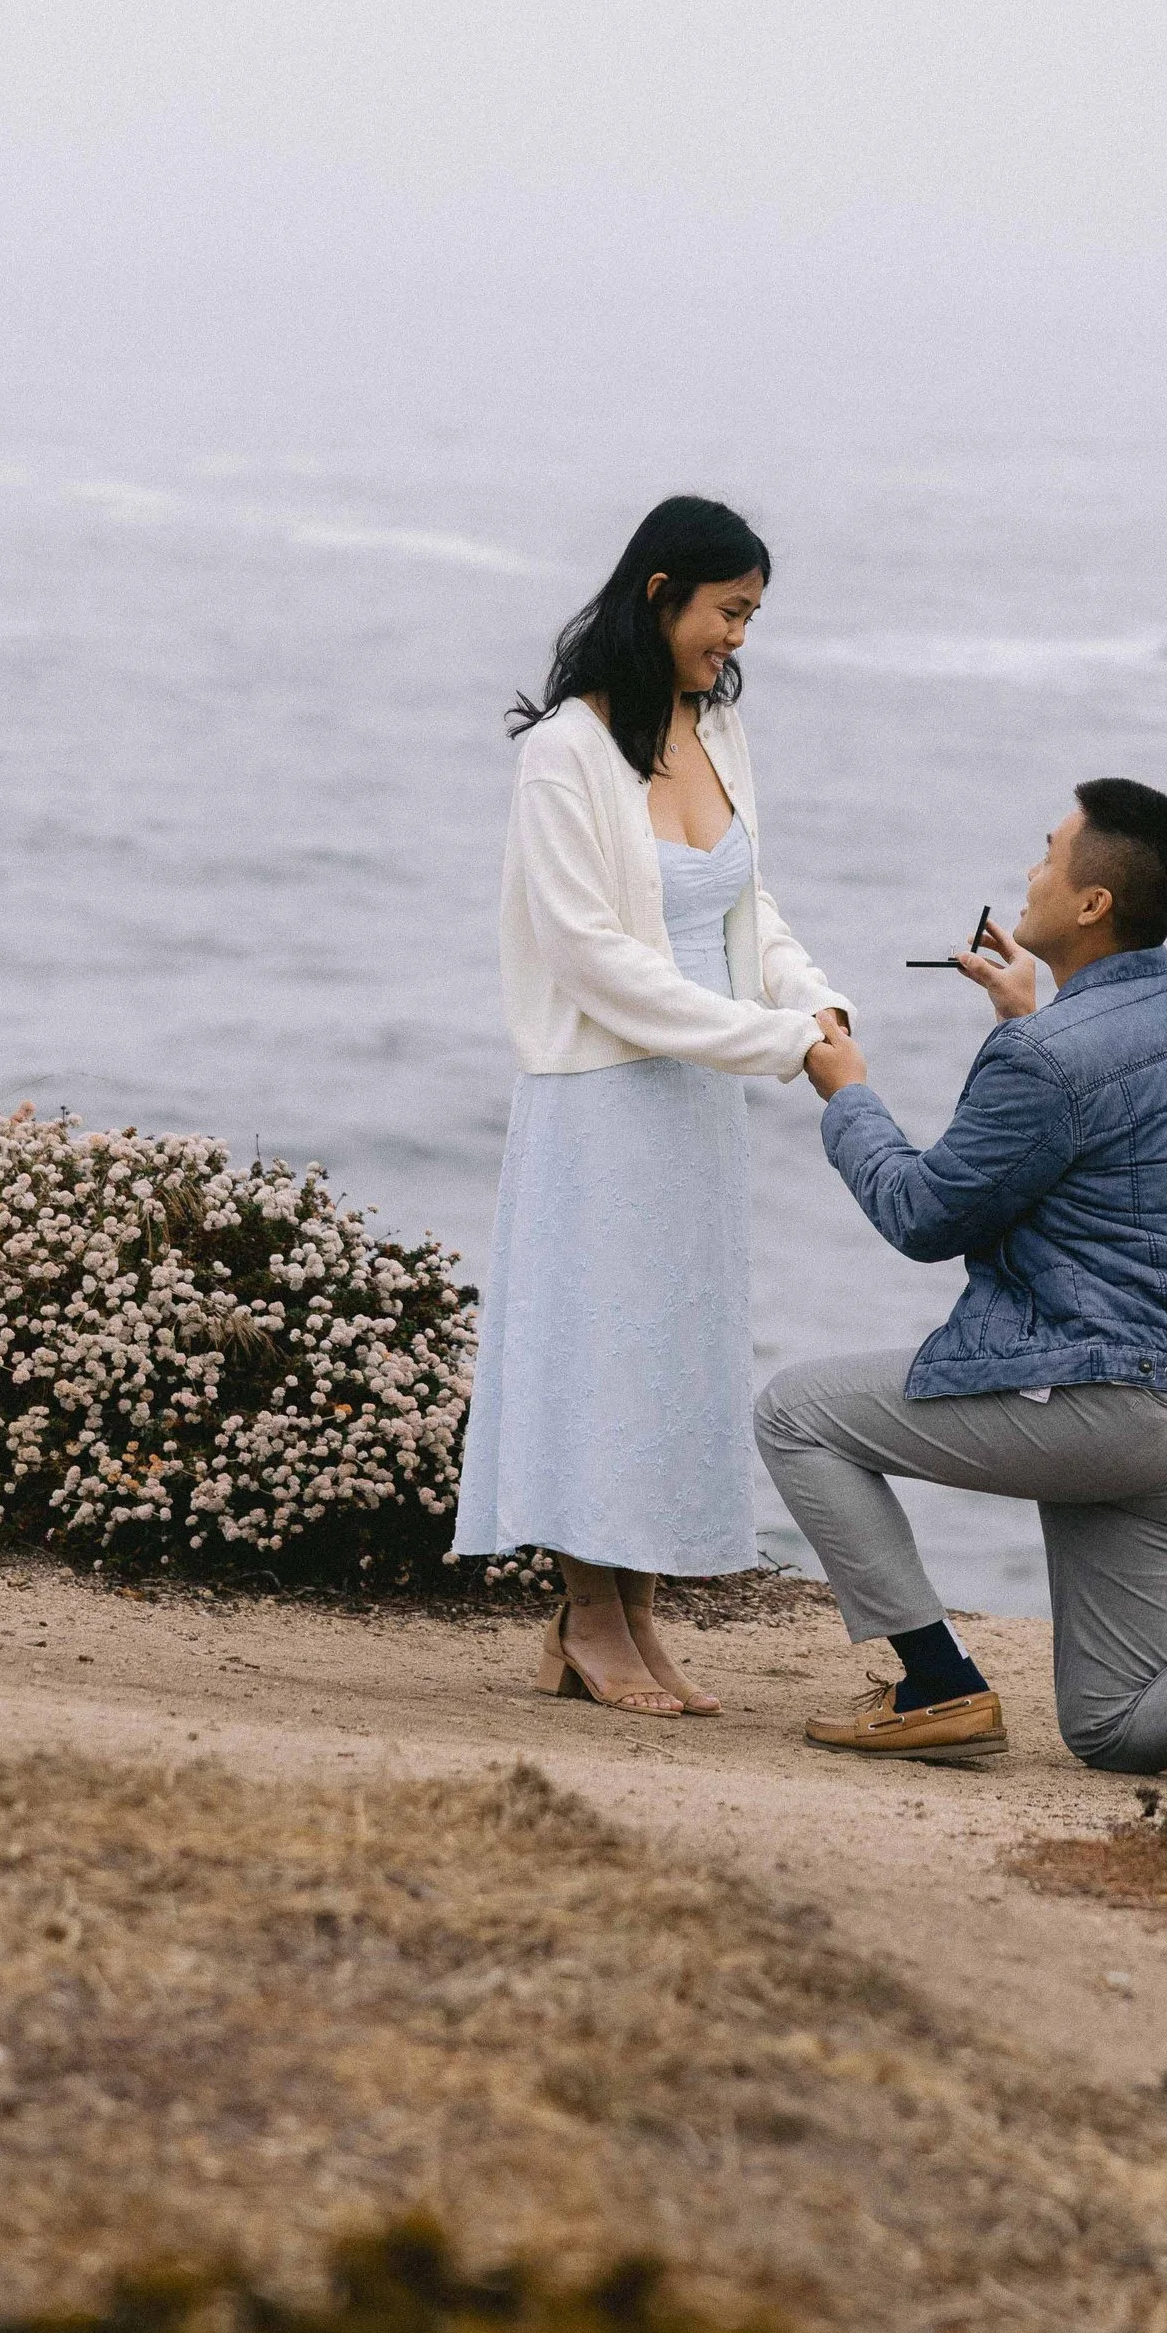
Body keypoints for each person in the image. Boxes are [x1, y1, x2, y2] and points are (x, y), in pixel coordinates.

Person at [756, 777, 1167, 1770]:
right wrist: (1023, 1022)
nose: (1031, 872)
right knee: (1113, 1725)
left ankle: (935, 1684)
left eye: (1048, 854)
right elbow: (1098, 1121)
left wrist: (847, 1096)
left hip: (1100, 1404)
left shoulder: (1048, 1058)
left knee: (795, 1411)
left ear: (1093, 903)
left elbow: (922, 1216)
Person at [453, 494, 851, 1716]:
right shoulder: (563, 752)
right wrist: (774, 1044)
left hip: (698, 1098)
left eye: (750, 618)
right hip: (599, 1098)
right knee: (596, 1355)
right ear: (660, 590)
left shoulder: (716, 731)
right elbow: (594, 959)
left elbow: (743, 906)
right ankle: (586, 1617)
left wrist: (813, 1000)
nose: (737, 638)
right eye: (728, 613)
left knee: (670, 1356)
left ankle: (632, 1615)